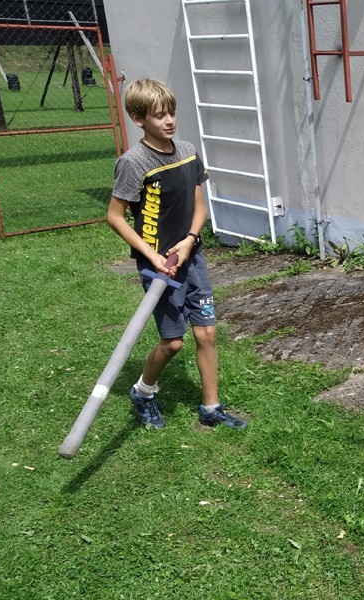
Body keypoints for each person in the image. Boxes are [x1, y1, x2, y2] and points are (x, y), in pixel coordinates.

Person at [106, 78, 246, 431]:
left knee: (207, 334)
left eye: (171, 112)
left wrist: (190, 239)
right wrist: (152, 257)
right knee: (172, 343)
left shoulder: (187, 151)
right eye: (158, 116)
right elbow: (115, 216)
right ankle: (143, 391)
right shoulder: (134, 162)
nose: (169, 120)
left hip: (191, 257)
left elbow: (200, 207)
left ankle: (211, 408)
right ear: (138, 119)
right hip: (160, 269)